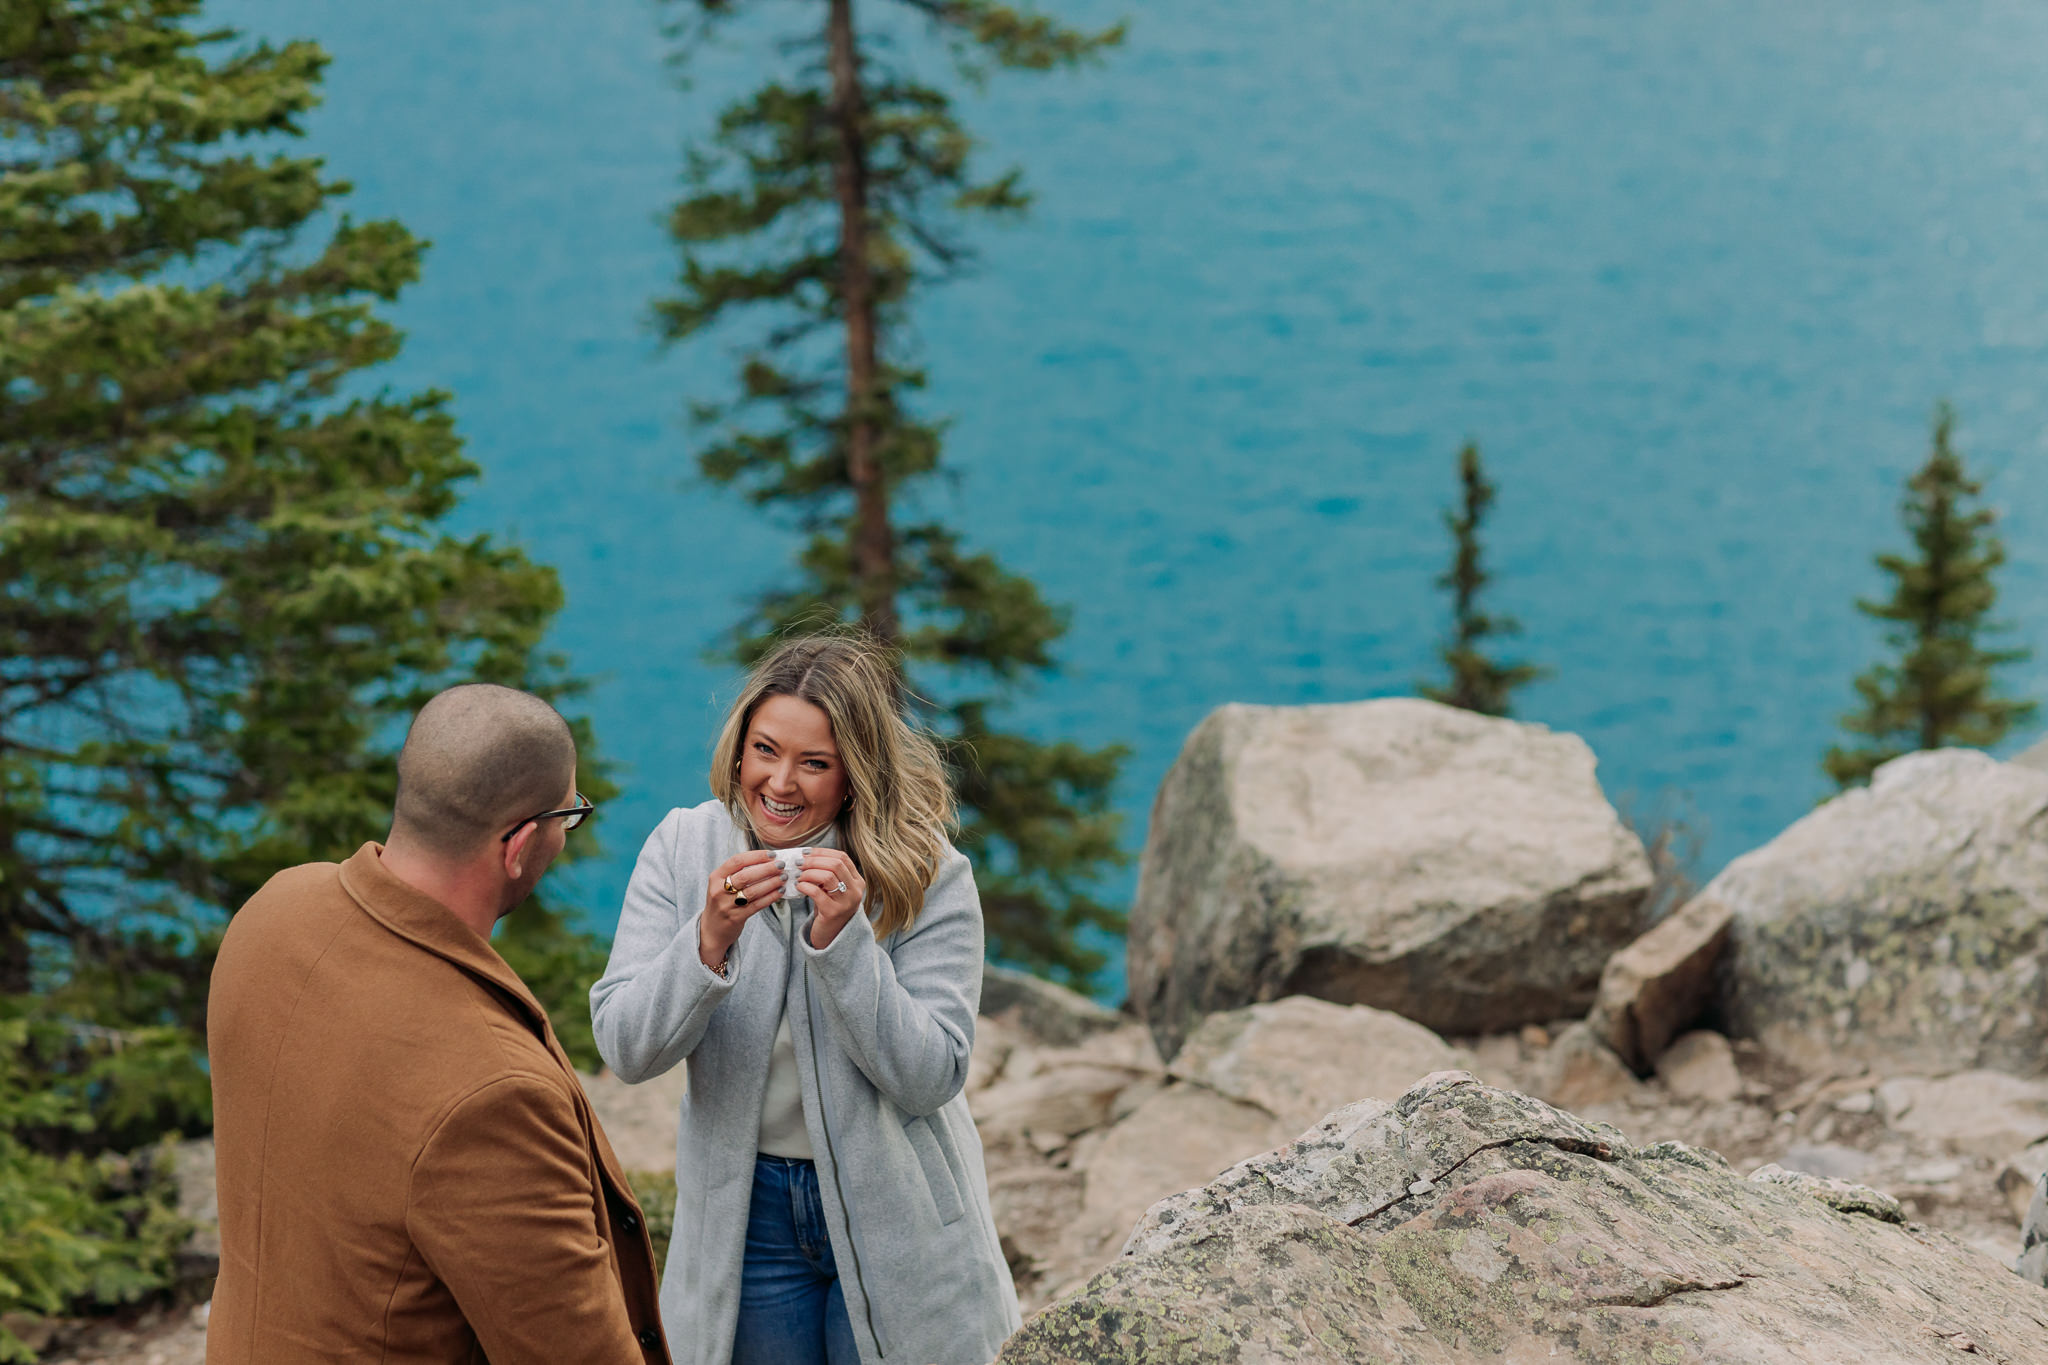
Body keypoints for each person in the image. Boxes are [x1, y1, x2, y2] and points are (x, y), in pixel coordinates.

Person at [206, 684, 670, 1365]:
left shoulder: (272, 912)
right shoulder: (494, 1093)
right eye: (567, 817)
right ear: (517, 844)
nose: (564, 838)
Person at [591, 633, 1020, 1365]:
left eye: (814, 762)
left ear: (855, 773)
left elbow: (933, 1075)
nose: (780, 782)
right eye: (764, 749)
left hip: (901, 1211)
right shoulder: (683, 846)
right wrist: (707, 941)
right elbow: (627, 1048)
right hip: (748, 1214)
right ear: (737, 749)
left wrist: (846, 944)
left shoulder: (929, 872)